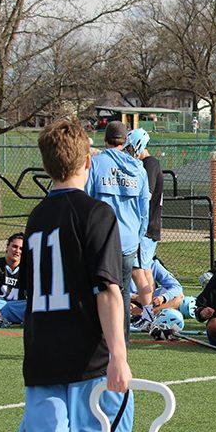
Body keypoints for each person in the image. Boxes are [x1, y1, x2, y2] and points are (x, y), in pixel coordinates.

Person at [16, 119, 132, 432]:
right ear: (87, 163)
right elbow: (108, 290)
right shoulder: (96, 213)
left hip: (41, 352)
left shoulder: (37, 216)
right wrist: (119, 355)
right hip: (89, 357)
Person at [85, 121, 150, 340]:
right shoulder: (138, 168)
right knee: (121, 290)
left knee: (98, 288)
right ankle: (122, 338)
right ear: (126, 140)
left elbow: (87, 199)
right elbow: (144, 211)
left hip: (102, 238)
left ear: (105, 139)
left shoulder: (95, 163)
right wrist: (137, 237)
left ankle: (99, 338)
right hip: (129, 240)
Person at [124, 127, 163, 331]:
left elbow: (144, 195)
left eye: (130, 146)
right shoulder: (149, 163)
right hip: (150, 226)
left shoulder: (149, 164)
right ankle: (149, 315)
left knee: (138, 271)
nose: (129, 151)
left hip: (145, 227)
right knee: (145, 271)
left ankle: (148, 314)